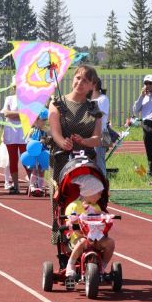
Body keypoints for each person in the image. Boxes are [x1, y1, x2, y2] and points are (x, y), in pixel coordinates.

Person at [49, 65, 103, 243]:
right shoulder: (57, 103)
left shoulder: (94, 109)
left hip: (85, 161)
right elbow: (55, 132)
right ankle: (63, 241)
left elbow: (96, 138)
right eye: (78, 78)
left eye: (85, 80)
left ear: (92, 86)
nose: (80, 82)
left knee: (90, 199)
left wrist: (84, 141)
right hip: (62, 159)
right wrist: (63, 142)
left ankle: (92, 234)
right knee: (63, 200)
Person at [64, 174, 115, 279]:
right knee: (83, 241)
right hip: (78, 238)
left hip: (95, 238)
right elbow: (70, 223)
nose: (101, 196)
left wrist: (107, 217)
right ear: (89, 192)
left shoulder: (96, 207)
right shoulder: (74, 206)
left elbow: (101, 218)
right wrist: (73, 222)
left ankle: (103, 266)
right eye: (99, 193)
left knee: (110, 242)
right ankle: (71, 264)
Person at [1, 86, 26, 194]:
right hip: (11, 132)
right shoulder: (9, 98)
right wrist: (21, 114)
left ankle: (32, 185)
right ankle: (16, 185)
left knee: (26, 158)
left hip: (24, 133)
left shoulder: (27, 99)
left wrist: (14, 114)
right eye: (16, 87)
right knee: (13, 159)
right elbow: (6, 113)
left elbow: (28, 115)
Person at [26, 108, 49, 195]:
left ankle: (40, 187)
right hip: (34, 153)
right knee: (35, 169)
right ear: (36, 120)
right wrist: (32, 142)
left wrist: (45, 140)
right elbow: (27, 140)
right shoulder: (32, 130)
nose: (43, 122)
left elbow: (50, 138)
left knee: (42, 170)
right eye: (42, 120)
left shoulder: (46, 131)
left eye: (45, 121)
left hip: (43, 152)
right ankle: (32, 185)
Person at [92, 77, 110, 176]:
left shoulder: (103, 99)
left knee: (99, 163)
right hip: (90, 134)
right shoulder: (87, 99)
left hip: (101, 134)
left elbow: (98, 116)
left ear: (94, 85)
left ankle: (103, 186)